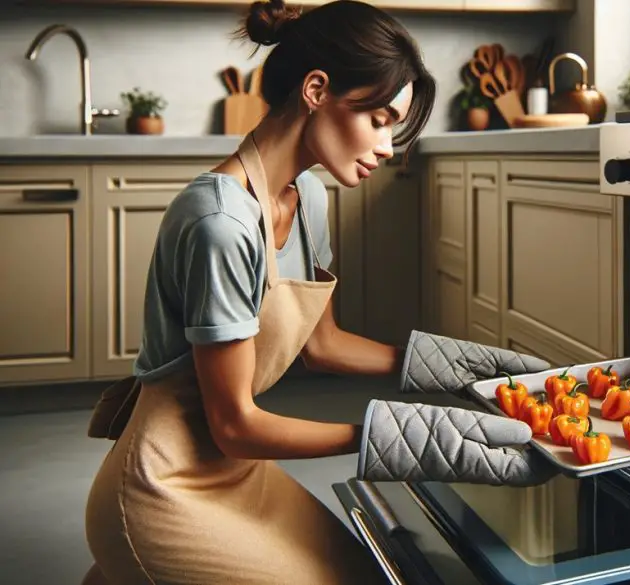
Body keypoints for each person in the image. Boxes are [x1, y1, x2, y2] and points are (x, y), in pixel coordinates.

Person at [79, 2, 556, 584]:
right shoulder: (221, 223)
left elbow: (321, 345)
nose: (387, 145)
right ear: (315, 89)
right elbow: (234, 422)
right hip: (164, 482)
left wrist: (448, 367)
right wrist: (395, 439)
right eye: (379, 118)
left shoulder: (308, 198)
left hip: (235, 468)